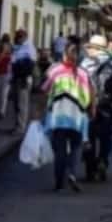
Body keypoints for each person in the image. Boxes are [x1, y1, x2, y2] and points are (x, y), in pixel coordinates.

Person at [42, 42, 92, 193]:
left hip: (58, 116)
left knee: (60, 150)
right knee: (76, 148)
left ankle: (59, 182)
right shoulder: (83, 73)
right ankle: (72, 174)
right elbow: (87, 96)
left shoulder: (55, 70)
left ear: (64, 54)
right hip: (76, 117)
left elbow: (45, 89)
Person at [80, 35, 112, 183]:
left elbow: (80, 84)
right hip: (108, 106)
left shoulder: (85, 63)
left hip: (87, 106)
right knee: (106, 137)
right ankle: (103, 161)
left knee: (88, 137)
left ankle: (90, 169)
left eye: (91, 47)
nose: (89, 50)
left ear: (95, 48)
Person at [9, 30, 37, 134]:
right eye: (16, 36)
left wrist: (19, 66)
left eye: (19, 37)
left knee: (22, 103)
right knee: (16, 103)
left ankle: (21, 127)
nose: (17, 38)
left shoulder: (29, 47)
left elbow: (31, 64)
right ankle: (17, 124)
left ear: (24, 37)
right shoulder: (18, 47)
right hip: (16, 77)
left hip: (23, 78)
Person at [0, 35, 12, 121]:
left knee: (4, 94)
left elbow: (12, 63)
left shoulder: (11, 51)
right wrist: (2, 53)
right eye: (4, 43)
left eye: (7, 43)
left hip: (7, 75)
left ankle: (1, 111)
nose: (5, 45)